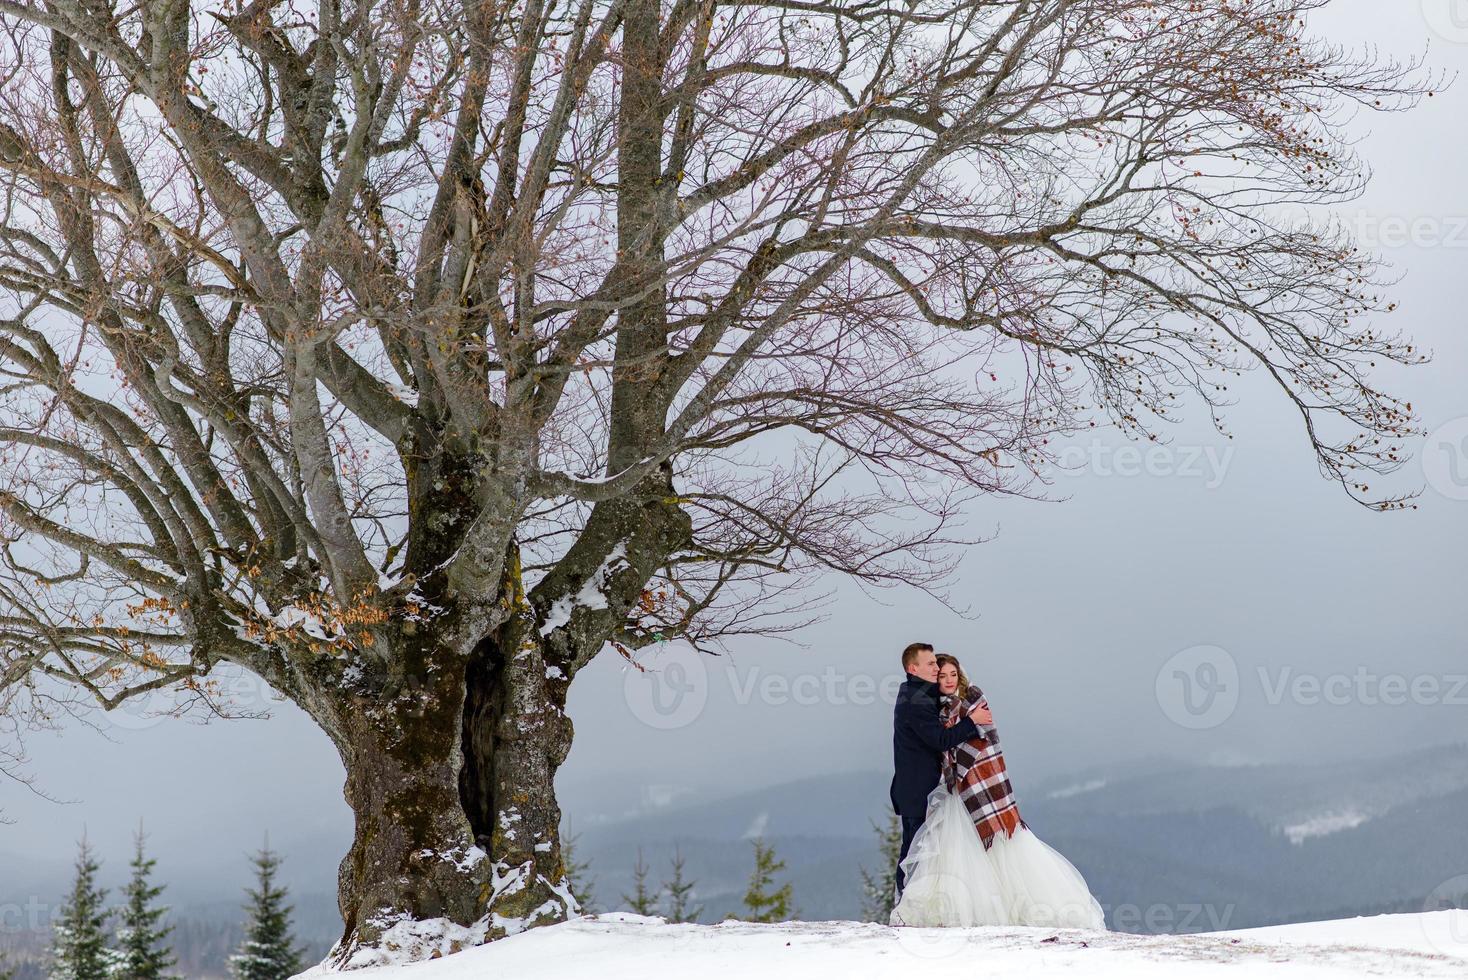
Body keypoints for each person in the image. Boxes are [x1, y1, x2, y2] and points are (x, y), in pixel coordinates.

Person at [889, 653, 1106, 930]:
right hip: (954, 793)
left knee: (997, 852)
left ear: (960, 675)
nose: (947, 680)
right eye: (941, 675)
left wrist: (963, 748)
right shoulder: (933, 707)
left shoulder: (973, 700)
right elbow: (942, 742)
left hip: (979, 789)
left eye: (952, 674)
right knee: (950, 854)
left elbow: (986, 743)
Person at [889, 642, 992, 898]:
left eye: (936, 662)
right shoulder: (915, 700)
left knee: (925, 850)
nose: (936, 667)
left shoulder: (919, 693)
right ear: (914, 668)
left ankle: (916, 903)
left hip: (919, 789)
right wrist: (972, 721)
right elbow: (940, 740)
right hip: (917, 791)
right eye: (931, 664)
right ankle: (907, 905)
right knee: (915, 853)